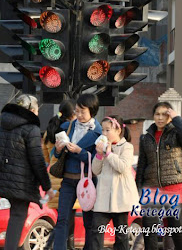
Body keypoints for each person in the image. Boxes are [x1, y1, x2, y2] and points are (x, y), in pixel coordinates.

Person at [0, 94, 55, 250]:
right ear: (30, 110)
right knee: (17, 216)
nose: (36, 113)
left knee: (14, 216)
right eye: (36, 110)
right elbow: (37, 160)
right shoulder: (31, 128)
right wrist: (47, 185)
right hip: (21, 182)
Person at [135, 101, 182, 250]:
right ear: (153, 116)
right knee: (149, 227)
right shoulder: (145, 138)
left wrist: (176, 118)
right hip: (152, 188)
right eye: (157, 114)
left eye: (164, 114)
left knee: (175, 227)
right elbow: (142, 164)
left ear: (169, 117)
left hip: (174, 186)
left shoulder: (176, 134)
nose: (160, 118)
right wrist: (138, 189)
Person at [53, 93, 102, 250]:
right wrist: (59, 148)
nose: (79, 115)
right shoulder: (69, 126)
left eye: (83, 111)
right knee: (62, 219)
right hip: (68, 179)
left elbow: (97, 160)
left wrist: (80, 151)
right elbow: (55, 154)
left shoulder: (99, 132)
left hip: (88, 180)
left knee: (89, 220)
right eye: (77, 111)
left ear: (92, 111)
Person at [91, 115, 139, 250]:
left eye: (108, 130)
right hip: (103, 199)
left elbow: (123, 167)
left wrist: (109, 154)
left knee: (121, 235)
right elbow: (95, 170)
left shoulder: (127, 147)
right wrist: (99, 155)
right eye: (103, 131)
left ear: (118, 130)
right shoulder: (103, 148)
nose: (104, 134)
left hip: (120, 199)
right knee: (96, 230)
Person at [42, 99, 78, 250]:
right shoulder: (69, 131)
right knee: (67, 221)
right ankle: (62, 246)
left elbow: (46, 158)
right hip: (66, 179)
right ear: (73, 114)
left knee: (62, 220)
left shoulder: (49, 131)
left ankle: (53, 246)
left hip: (53, 179)